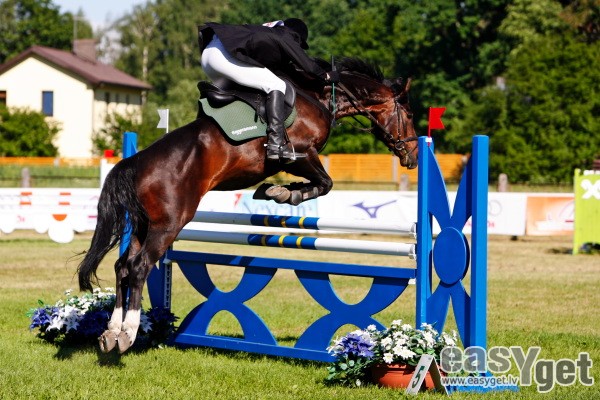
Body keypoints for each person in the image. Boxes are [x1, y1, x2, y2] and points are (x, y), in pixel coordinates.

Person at [198, 18, 339, 162]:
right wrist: (327, 76)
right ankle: (275, 145)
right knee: (277, 86)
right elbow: (307, 66)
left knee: (253, 86)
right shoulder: (286, 35)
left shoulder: (269, 34)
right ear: (297, 36)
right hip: (222, 55)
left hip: (208, 56)